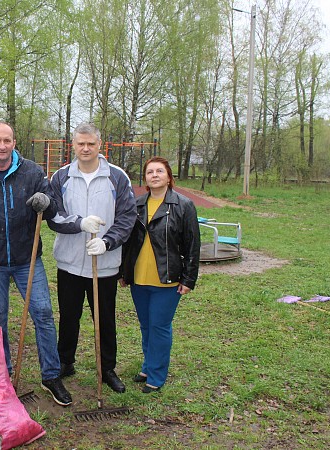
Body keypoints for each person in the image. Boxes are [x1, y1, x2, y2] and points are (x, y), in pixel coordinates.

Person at [0, 121, 73, 406]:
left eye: (7, 140)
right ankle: (3, 374)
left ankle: (51, 375)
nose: (2, 146)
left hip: (26, 259)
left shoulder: (31, 172)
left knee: (43, 313)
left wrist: (46, 201)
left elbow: (54, 205)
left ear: (14, 142)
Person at [47, 122, 136, 393]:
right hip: (71, 263)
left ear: (100, 145)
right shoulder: (61, 177)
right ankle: (65, 362)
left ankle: (107, 368)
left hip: (105, 264)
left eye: (91, 144)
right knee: (69, 316)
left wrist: (108, 242)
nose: (85, 149)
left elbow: (127, 217)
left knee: (105, 318)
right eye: (80, 144)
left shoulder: (117, 177)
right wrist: (79, 223)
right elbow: (54, 216)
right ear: (73, 145)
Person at [119, 156, 200, 393]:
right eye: (150, 172)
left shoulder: (183, 205)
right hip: (139, 278)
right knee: (146, 325)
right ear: (145, 178)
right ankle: (148, 365)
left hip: (167, 278)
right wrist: (124, 272)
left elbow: (193, 244)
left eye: (159, 171)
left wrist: (188, 279)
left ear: (169, 176)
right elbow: (128, 242)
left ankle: (156, 374)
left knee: (160, 326)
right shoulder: (137, 204)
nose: (154, 175)